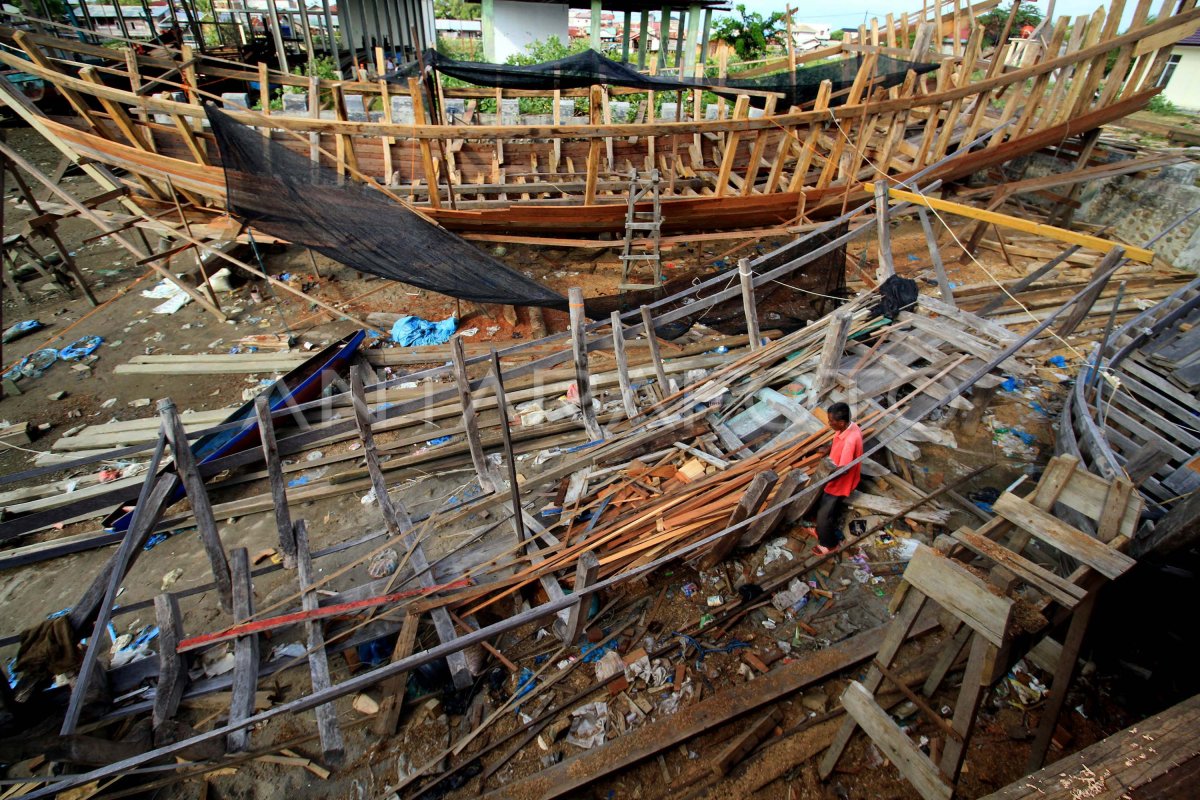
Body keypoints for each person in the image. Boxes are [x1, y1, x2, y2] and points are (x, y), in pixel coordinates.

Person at [812, 402, 863, 556]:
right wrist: (828, 449)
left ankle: (829, 544)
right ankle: (821, 528)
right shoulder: (849, 426)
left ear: (841, 422)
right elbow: (837, 439)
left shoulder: (850, 440)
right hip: (836, 471)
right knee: (826, 507)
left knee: (824, 514)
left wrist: (824, 476)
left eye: (831, 422)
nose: (829, 424)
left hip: (839, 482)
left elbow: (844, 469)